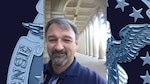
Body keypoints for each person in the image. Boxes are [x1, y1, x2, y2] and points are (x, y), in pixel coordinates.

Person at [44, 17, 106, 84]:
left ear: (76, 45)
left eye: (67, 40)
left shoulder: (95, 81)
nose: (59, 47)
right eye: (52, 40)